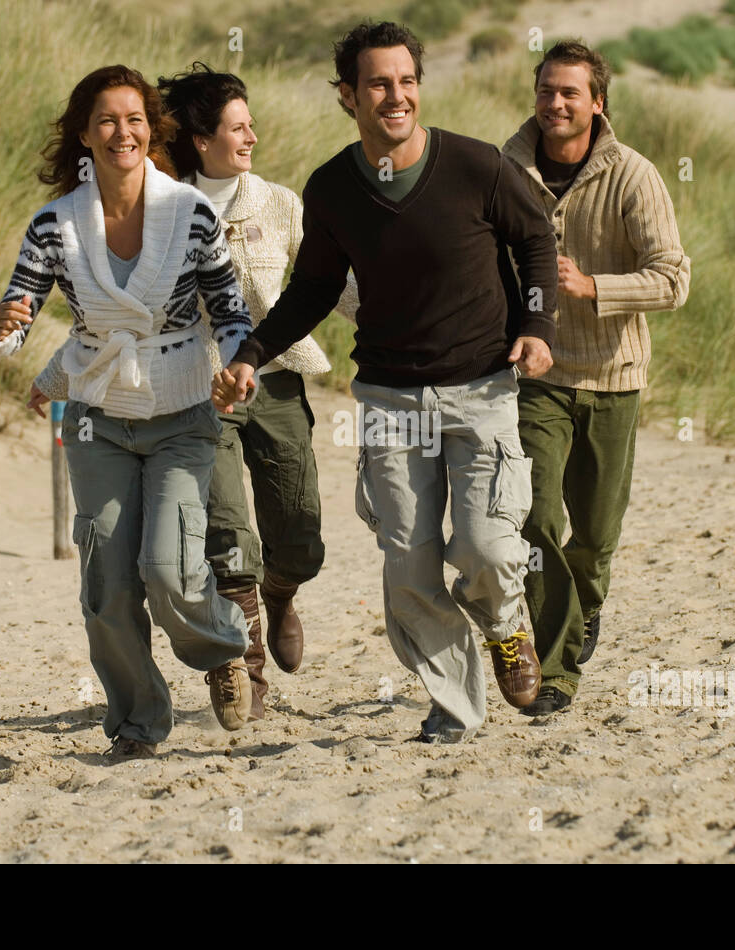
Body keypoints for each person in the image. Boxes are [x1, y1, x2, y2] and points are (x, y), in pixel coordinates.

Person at [214, 21, 559, 743]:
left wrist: (537, 326)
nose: (395, 95)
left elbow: (536, 239)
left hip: (481, 390)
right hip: (391, 401)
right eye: (378, 83)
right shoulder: (334, 188)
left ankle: (505, 621)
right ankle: (454, 703)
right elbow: (312, 289)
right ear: (349, 95)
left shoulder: (476, 166)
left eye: (406, 81)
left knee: (488, 548)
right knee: (408, 565)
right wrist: (252, 352)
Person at [0, 64, 255, 761]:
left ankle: (223, 643)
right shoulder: (55, 222)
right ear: (85, 133)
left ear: (151, 130)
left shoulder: (191, 212)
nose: (121, 132)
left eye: (133, 119)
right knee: (106, 580)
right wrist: (2, 326)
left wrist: (238, 368)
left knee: (167, 568)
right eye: (106, 120)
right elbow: (16, 313)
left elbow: (227, 308)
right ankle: (137, 720)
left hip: (182, 407)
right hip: (99, 415)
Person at [156, 63, 359, 721]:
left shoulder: (278, 202)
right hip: (199, 392)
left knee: (299, 535)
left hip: (275, 381)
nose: (251, 136)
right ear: (201, 137)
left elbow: (328, 284)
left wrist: (398, 323)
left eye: (250, 124)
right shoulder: (161, 208)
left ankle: (282, 593)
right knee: (227, 537)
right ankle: (249, 672)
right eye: (237, 127)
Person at [501, 41, 690, 714]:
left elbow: (674, 279)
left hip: (615, 375)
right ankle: (556, 672)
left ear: (596, 103)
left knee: (596, 535)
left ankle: (585, 604)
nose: (555, 103)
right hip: (537, 374)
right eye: (547, 90)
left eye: (570, 93)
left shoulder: (634, 175)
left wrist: (591, 285)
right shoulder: (505, 169)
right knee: (536, 516)